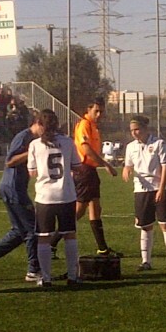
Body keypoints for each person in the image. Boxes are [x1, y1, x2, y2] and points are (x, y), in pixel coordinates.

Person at [0, 113, 44, 282]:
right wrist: (31, 152)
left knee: (19, 230)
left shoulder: (31, 138)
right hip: (13, 188)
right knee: (33, 229)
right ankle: (33, 270)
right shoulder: (24, 137)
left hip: (14, 187)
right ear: (37, 123)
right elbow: (10, 161)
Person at [50, 99, 119, 258]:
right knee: (79, 211)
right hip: (84, 170)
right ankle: (52, 243)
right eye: (96, 111)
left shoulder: (93, 126)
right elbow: (85, 149)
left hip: (90, 171)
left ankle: (102, 249)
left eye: (101, 111)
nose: (99, 114)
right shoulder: (84, 125)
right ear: (88, 110)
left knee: (95, 208)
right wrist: (105, 164)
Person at [27, 108, 82, 287]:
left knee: (43, 237)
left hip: (45, 197)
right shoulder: (67, 142)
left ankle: (46, 278)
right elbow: (77, 166)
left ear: (41, 125)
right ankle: (73, 277)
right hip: (66, 195)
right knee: (70, 235)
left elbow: (33, 172)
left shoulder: (35, 145)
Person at [122, 115, 166, 272]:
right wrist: (126, 169)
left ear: (145, 128)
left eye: (137, 129)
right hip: (141, 191)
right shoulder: (130, 147)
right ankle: (146, 262)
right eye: (132, 130)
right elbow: (128, 165)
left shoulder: (159, 143)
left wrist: (161, 189)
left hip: (160, 189)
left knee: (165, 224)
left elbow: (165, 167)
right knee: (145, 226)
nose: (135, 133)